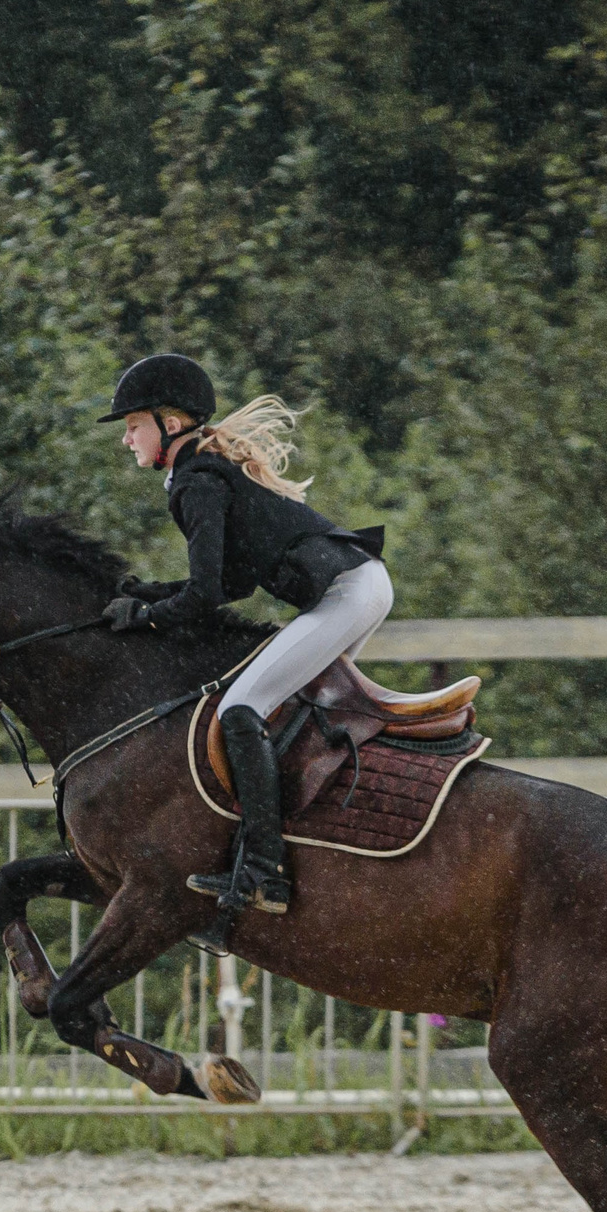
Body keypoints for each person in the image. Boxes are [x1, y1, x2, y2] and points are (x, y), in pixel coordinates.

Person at [96, 353, 393, 918]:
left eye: (133, 425)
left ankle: (265, 873)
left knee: (240, 710)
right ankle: (299, 842)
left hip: (346, 591)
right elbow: (229, 584)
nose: (126, 439)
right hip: (360, 583)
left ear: (171, 425)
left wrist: (143, 615)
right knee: (288, 712)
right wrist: (148, 594)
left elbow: (207, 595)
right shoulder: (208, 472)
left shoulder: (196, 481)